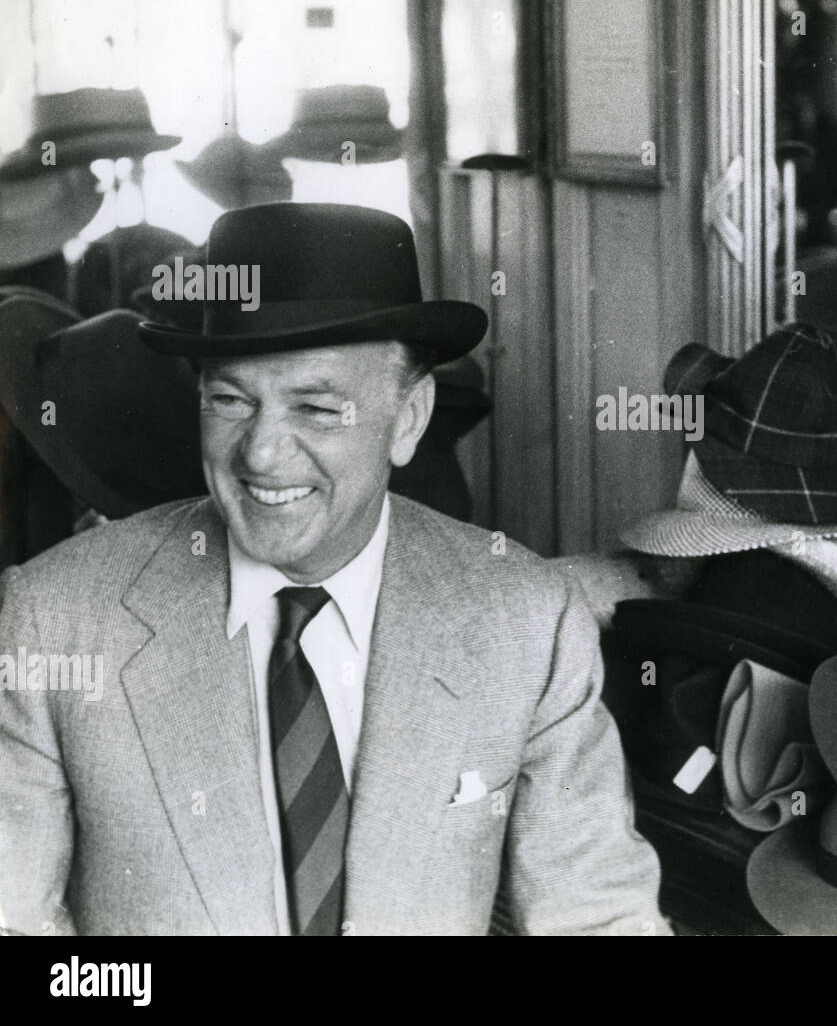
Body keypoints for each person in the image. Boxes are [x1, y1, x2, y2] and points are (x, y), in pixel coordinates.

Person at [0, 202, 666, 936]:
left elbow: (598, 919)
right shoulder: (53, 617)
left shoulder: (528, 623)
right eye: (230, 399)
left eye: (316, 409)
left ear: (408, 418)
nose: (260, 452)